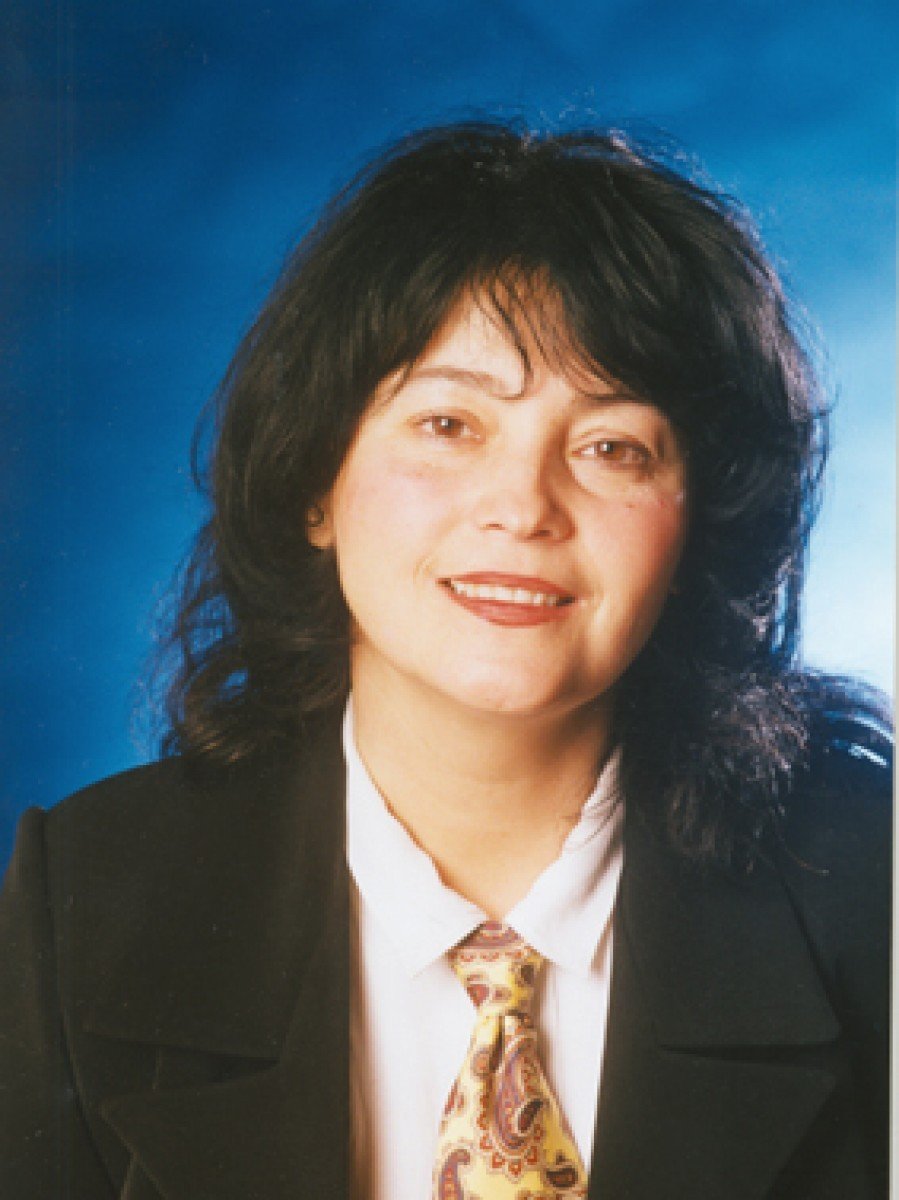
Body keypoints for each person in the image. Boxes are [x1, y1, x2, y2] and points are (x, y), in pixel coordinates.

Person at [0, 120, 891, 1200]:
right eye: (448, 425)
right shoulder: (88, 894)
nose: (521, 508)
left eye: (610, 446)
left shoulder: (868, 893)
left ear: (697, 524)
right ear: (315, 481)